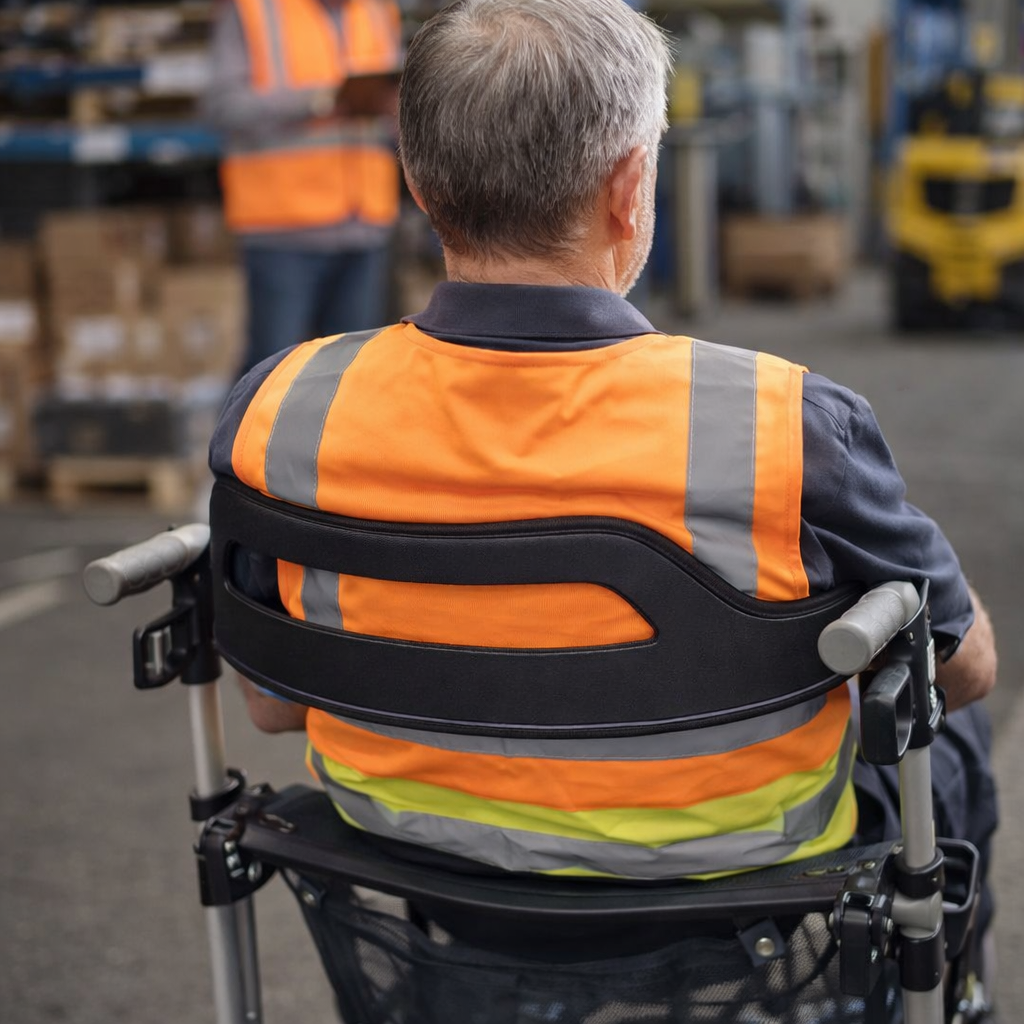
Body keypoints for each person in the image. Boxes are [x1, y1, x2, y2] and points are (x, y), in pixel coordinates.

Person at [210, 0, 997, 920]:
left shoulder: (287, 407)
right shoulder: (785, 424)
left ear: (419, 187)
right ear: (630, 187)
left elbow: (273, 705)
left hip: (408, 857)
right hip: (735, 887)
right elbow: (966, 665)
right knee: (956, 723)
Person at [202, 0, 403, 377]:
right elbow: (223, 107)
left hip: (364, 226)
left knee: (352, 376)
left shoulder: (377, 10)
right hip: (283, 228)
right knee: (273, 376)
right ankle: (247, 439)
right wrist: (319, 101)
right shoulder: (254, 12)